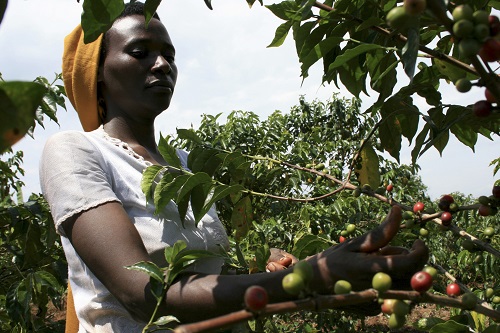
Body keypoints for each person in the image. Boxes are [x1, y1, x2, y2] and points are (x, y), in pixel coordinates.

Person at [39, 2, 429, 332]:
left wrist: (311, 280)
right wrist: (309, 279)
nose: (162, 65)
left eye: (169, 55)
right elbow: (141, 294)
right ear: (99, 74)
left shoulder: (183, 167)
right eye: (140, 52)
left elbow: (210, 282)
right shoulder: (74, 151)